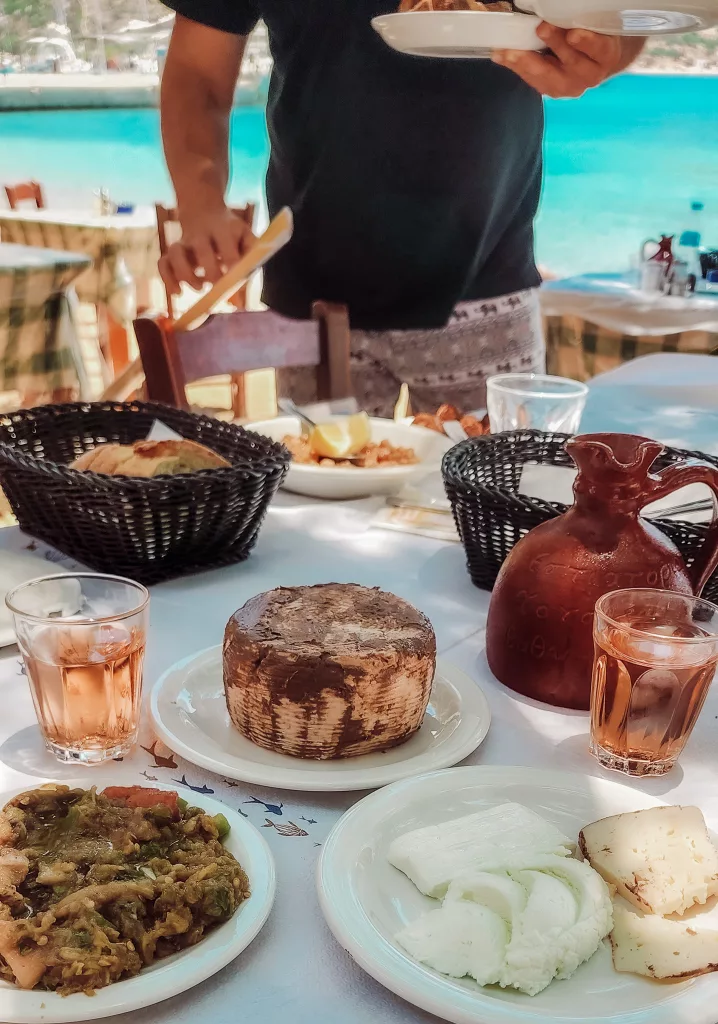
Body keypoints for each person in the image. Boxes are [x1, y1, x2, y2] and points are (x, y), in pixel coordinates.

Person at [158, 2, 643, 415]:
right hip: (316, 303)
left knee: (496, 504)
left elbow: (625, 18)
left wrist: (607, 52)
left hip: (487, 290)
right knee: (322, 495)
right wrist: (200, 206)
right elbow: (197, 72)